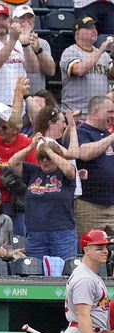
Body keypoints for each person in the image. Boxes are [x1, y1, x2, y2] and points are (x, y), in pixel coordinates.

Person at [8, 135, 78, 258]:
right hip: (36, 234)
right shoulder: (33, 172)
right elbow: (12, 163)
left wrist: (49, 151)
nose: (44, 161)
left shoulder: (65, 173)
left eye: (48, 158)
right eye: (41, 158)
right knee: (36, 273)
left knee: (63, 272)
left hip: (62, 234)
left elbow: (69, 171)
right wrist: (31, 147)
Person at [74, 95, 114, 237]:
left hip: (112, 206)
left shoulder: (107, 134)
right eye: (110, 112)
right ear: (96, 111)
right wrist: (112, 136)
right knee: (89, 249)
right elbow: (84, 153)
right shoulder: (81, 131)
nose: (113, 116)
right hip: (90, 206)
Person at [60, 17, 113, 113]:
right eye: (89, 28)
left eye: (95, 28)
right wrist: (101, 50)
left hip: (100, 115)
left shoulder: (104, 55)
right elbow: (79, 70)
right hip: (76, 115)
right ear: (77, 33)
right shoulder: (70, 52)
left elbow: (112, 74)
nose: (94, 30)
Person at [12, 5, 54, 94]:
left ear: (34, 22)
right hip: (13, 96)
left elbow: (51, 72)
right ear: (14, 21)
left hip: (37, 97)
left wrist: (38, 50)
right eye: (22, 18)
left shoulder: (42, 43)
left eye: (29, 18)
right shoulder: (8, 42)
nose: (26, 22)